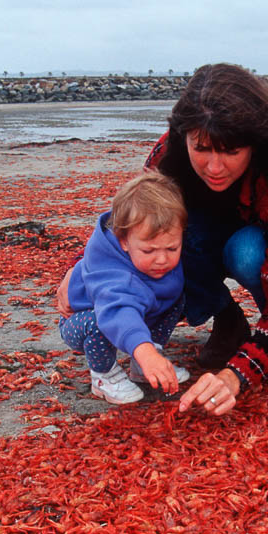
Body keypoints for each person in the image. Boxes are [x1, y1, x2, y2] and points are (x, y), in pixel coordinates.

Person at [59, 63, 268, 415]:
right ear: (183, 134)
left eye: (231, 151)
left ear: (255, 141)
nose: (214, 167)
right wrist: (82, 268)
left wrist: (236, 375)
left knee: (247, 253)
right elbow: (136, 221)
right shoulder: (169, 156)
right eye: (201, 148)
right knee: (167, 240)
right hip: (215, 232)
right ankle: (228, 318)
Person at [59, 171, 190, 404]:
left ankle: (141, 364)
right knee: (97, 323)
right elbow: (118, 311)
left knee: (175, 296)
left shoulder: (160, 254)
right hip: (85, 319)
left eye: (172, 248)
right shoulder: (114, 274)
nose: (161, 259)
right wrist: (145, 350)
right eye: (149, 251)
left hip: (137, 308)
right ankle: (103, 376)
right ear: (124, 242)